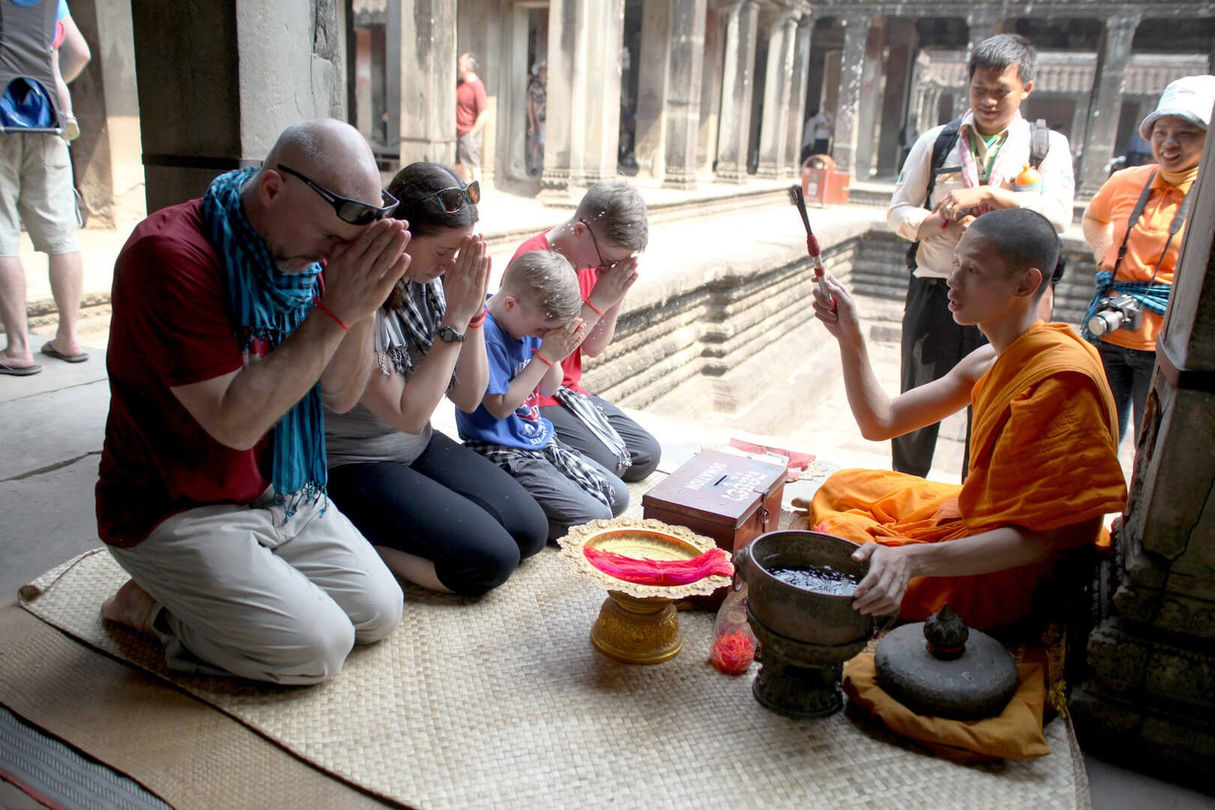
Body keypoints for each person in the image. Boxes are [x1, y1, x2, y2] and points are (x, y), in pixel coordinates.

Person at [96, 119, 410, 684]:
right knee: (318, 649)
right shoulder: (167, 255)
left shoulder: (309, 255)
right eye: (332, 238)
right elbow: (235, 425)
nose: (333, 256)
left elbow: (340, 396)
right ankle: (150, 607)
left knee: (380, 613)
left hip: (279, 490)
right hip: (175, 505)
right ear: (271, 189)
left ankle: (227, 587)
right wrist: (335, 311)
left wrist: (362, 304)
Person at [804, 208, 1126, 631]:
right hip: (982, 525)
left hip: (1016, 569)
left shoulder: (1059, 380)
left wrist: (912, 559)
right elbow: (881, 421)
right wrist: (851, 337)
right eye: (955, 263)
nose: (952, 280)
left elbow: (1042, 542)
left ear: (1025, 283)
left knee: (843, 545)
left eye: (972, 270)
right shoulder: (990, 357)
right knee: (844, 486)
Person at [325, 162, 549, 596]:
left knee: (529, 530)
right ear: (402, 235)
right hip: (355, 461)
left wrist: (474, 312)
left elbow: (469, 397)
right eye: (444, 251)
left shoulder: (431, 283)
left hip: (415, 444)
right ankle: (360, 534)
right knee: (489, 562)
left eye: (461, 252)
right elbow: (408, 413)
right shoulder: (365, 289)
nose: (452, 264)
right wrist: (455, 319)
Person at [887, 33, 1074, 478]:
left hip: (1005, 301)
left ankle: (979, 498)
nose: (988, 101)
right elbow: (898, 212)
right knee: (917, 404)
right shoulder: (938, 141)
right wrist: (938, 223)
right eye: (979, 89)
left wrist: (990, 195)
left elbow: (1058, 215)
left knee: (996, 407)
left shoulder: (1045, 147)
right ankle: (904, 489)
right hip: (938, 287)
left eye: (1000, 91)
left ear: (1026, 89)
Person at [457, 250, 629, 539]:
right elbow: (500, 407)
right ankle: (509, 513)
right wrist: (545, 356)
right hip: (500, 449)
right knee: (594, 519)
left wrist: (554, 351)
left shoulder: (528, 323)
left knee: (618, 497)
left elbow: (549, 388)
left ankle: (544, 508)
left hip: (538, 439)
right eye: (541, 329)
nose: (541, 335)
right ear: (510, 304)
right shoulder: (486, 333)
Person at [1081, 75, 1214, 444]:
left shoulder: (1208, 195)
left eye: (1186, 133)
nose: (1169, 143)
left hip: (1166, 348)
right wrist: (1106, 258)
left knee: (1151, 442)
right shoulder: (1125, 180)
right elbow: (1093, 219)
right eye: (1162, 131)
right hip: (1110, 331)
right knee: (1095, 435)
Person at [509, 181, 660, 483]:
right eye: (607, 261)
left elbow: (593, 347)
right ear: (580, 230)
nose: (607, 268)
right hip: (535, 394)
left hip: (569, 391)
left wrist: (614, 295)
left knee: (646, 454)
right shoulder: (535, 261)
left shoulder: (591, 261)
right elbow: (540, 360)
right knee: (612, 462)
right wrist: (598, 301)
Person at [0, 0, 89, 376]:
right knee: (62, 236)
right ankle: (69, 336)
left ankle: (18, 348)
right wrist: (48, 88)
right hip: (47, 118)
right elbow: (80, 52)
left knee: (2, 238)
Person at [455, 52, 488, 184]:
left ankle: (475, 195)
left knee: (473, 167)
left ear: (468, 67)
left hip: (468, 132)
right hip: (458, 133)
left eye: (460, 64)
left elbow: (484, 113)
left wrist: (472, 133)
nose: (458, 66)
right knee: (460, 168)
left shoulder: (477, 86)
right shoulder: (460, 84)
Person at [526, 61, 546, 177]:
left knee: (541, 142)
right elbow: (532, 106)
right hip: (539, 118)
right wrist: (534, 123)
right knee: (537, 142)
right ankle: (534, 165)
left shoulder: (546, 85)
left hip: (546, 118)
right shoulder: (535, 87)